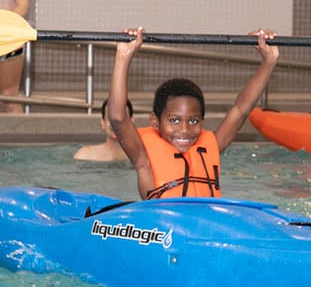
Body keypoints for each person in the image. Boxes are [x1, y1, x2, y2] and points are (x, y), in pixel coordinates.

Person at [108, 26, 279, 200]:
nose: (184, 130)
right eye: (174, 120)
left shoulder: (210, 146)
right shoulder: (143, 158)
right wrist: (123, 56)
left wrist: (269, 61)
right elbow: (117, 116)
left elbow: (241, 110)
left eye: (193, 121)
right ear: (155, 121)